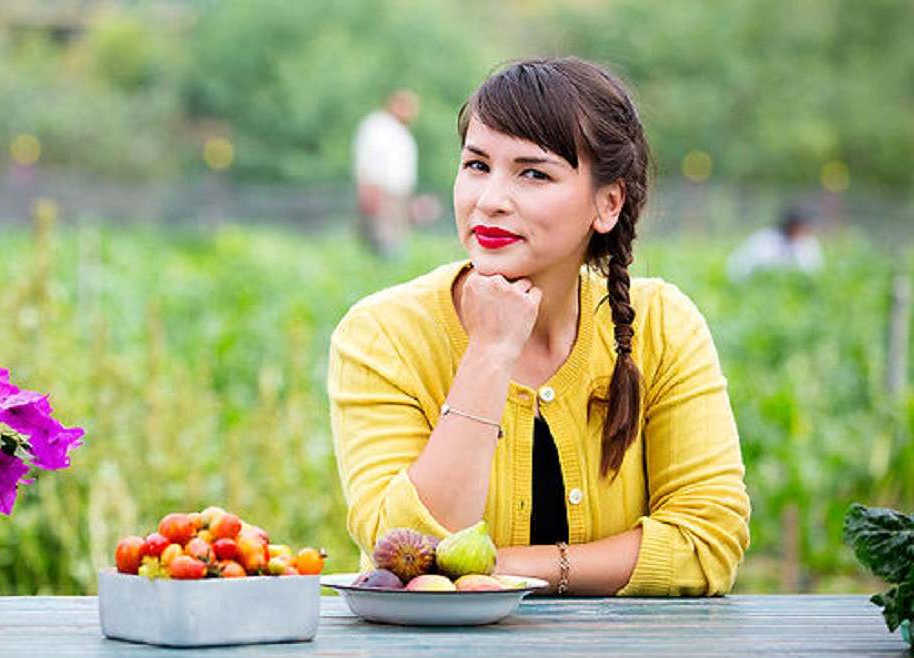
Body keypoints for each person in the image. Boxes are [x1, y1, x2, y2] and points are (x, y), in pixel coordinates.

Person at [328, 58, 750, 597]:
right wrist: (489, 351)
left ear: (608, 203)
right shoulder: (382, 335)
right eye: (477, 166)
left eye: (534, 173)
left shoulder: (662, 327)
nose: (490, 200)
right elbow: (405, 549)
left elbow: (707, 544)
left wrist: (503, 568)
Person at [352, 89, 421, 257]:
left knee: (396, 236)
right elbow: (368, 162)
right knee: (381, 237)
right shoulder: (376, 126)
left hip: (399, 193)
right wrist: (369, 190)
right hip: (381, 191)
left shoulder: (400, 130)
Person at [727, 206, 823, 281]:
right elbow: (756, 265)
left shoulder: (807, 243)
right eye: (799, 229)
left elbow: (813, 268)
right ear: (791, 227)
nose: (802, 233)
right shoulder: (767, 239)